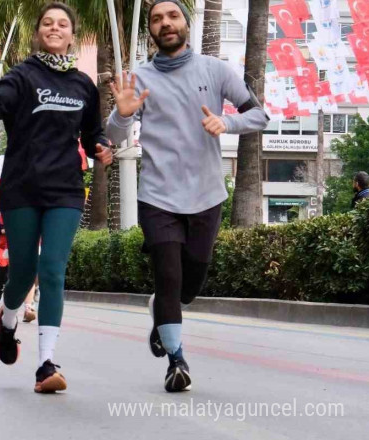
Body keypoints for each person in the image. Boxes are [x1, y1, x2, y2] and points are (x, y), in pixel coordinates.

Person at [105, 0, 268, 392]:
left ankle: (161, 308)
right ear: (151, 31)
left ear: (186, 23)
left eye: (172, 16)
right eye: (157, 19)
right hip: (158, 196)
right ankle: (176, 361)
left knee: (188, 286)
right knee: (169, 274)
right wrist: (123, 114)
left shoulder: (215, 70)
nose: (166, 23)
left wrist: (225, 121)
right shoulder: (139, 79)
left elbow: (259, 116)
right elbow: (111, 139)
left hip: (206, 195)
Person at [0, 2, 114, 392]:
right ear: (38, 32)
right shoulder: (23, 76)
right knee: (23, 273)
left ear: (71, 34)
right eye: (47, 23)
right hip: (22, 188)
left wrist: (101, 147)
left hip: (66, 189)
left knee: (52, 269)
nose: (54, 28)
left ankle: (46, 363)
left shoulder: (83, 84)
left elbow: (92, 133)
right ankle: (8, 317)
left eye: (62, 23)